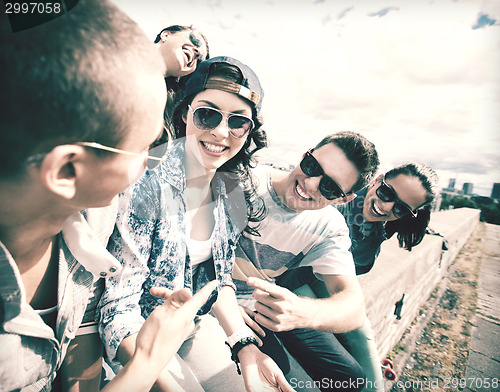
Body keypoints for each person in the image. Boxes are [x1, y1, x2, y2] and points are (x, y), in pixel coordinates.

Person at [0, 1, 220, 391]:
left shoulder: (94, 216)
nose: (153, 166)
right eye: (145, 147)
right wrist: (147, 362)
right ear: (68, 171)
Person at [98, 56, 301, 392]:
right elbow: (117, 308)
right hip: (138, 336)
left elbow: (218, 281)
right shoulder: (145, 185)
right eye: (207, 114)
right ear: (184, 113)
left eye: (238, 122)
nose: (221, 132)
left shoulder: (231, 193)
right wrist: (161, 377)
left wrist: (244, 345)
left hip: (193, 326)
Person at [232, 132, 380, 392]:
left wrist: (301, 313)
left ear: (343, 199)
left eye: (330, 187)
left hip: (259, 313)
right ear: (305, 154)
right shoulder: (243, 180)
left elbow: (353, 308)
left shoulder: (329, 226)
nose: (311, 183)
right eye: (312, 166)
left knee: (350, 380)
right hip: (221, 308)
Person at [278, 162, 440, 392]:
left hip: (320, 284)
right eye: (386, 193)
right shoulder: (338, 198)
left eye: (401, 209)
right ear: (378, 179)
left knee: (360, 342)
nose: (385, 207)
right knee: (349, 371)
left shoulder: (379, 229)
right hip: (291, 281)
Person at [153, 25, 210, 124]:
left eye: (200, 60)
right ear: (165, 35)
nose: (198, 52)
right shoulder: (121, 43)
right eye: (196, 40)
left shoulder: (158, 112)